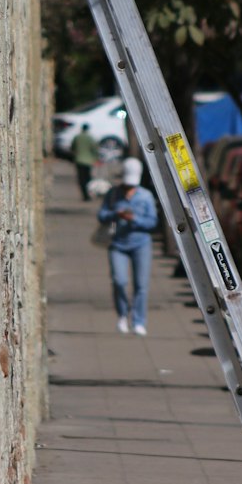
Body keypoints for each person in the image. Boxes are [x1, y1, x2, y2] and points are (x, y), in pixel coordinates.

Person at [97, 157, 159, 335]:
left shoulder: (145, 196)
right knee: (119, 280)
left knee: (141, 285)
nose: (128, 188)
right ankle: (123, 315)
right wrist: (115, 214)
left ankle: (139, 320)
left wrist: (134, 219)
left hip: (141, 244)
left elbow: (152, 222)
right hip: (118, 244)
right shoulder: (114, 194)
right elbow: (102, 215)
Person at [70, 122, 100, 201]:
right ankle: (88, 194)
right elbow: (94, 149)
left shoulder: (77, 137)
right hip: (88, 161)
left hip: (79, 160)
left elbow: (72, 148)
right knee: (88, 178)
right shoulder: (90, 138)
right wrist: (96, 158)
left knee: (81, 178)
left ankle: (84, 194)